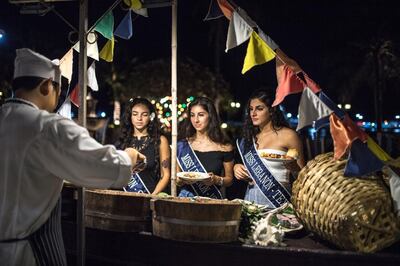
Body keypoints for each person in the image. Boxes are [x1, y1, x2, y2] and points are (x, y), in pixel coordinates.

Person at [0, 48, 145, 266]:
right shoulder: (46, 126)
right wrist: (130, 156)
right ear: (47, 86)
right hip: (26, 255)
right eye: (58, 92)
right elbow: (102, 166)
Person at [234, 90, 305, 208]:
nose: (253, 113)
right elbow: (243, 167)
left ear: (271, 111)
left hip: (278, 201)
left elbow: (304, 176)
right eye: (251, 109)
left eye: (259, 109)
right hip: (250, 201)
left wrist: (294, 168)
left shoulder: (289, 135)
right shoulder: (248, 138)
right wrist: (237, 167)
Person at [176, 96, 234, 199]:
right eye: (192, 115)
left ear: (210, 116)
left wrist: (216, 180)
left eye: (201, 115)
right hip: (185, 199)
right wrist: (181, 180)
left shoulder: (224, 146)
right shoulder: (183, 145)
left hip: (211, 200)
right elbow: (177, 179)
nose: (196, 120)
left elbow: (229, 180)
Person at [116, 97, 170, 194]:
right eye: (135, 114)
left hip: (150, 196)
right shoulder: (122, 140)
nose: (139, 118)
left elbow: (165, 175)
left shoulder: (160, 140)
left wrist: (152, 197)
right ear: (130, 116)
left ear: (151, 116)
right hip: (123, 197)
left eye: (144, 115)